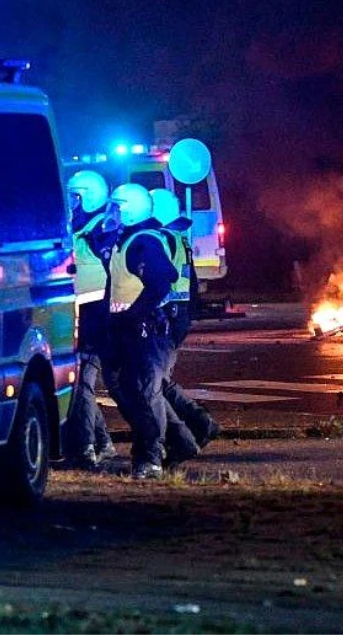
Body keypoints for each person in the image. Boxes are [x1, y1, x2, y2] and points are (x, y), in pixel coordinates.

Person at [105, 184, 199, 479]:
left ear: (131, 211)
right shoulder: (130, 239)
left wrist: (135, 312)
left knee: (146, 394)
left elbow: (163, 279)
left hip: (145, 331)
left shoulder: (143, 242)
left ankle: (150, 459)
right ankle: (179, 442)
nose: (113, 214)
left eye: (118, 208)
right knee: (132, 390)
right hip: (129, 330)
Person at [149, 188, 222, 453]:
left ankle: (197, 427)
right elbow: (190, 287)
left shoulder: (163, 241)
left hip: (166, 318)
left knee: (155, 383)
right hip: (177, 316)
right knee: (158, 381)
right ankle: (199, 425)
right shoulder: (179, 240)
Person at [63, 170, 118, 470]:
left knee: (82, 383)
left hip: (94, 317)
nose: (69, 201)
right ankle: (104, 442)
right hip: (81, 314)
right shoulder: (79, 226)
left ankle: (85, 450)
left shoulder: (101, 228)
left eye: (74, 196)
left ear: (88, 196)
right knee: (79, 385)